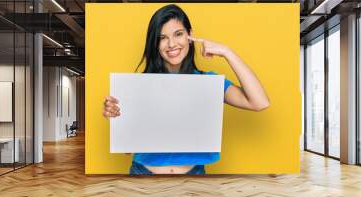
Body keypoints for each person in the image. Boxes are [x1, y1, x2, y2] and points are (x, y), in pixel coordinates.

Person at [103, 4, 270, 175]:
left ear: (189, 35)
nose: (171, 44)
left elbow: (259, 102)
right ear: (155, 43)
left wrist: (227, 52)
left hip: (194, 178)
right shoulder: (138, 86)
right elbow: (128, 150)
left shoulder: (208, 82)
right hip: (143, 176)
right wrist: (116, 119)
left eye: (178, 34)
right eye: (162, 37)